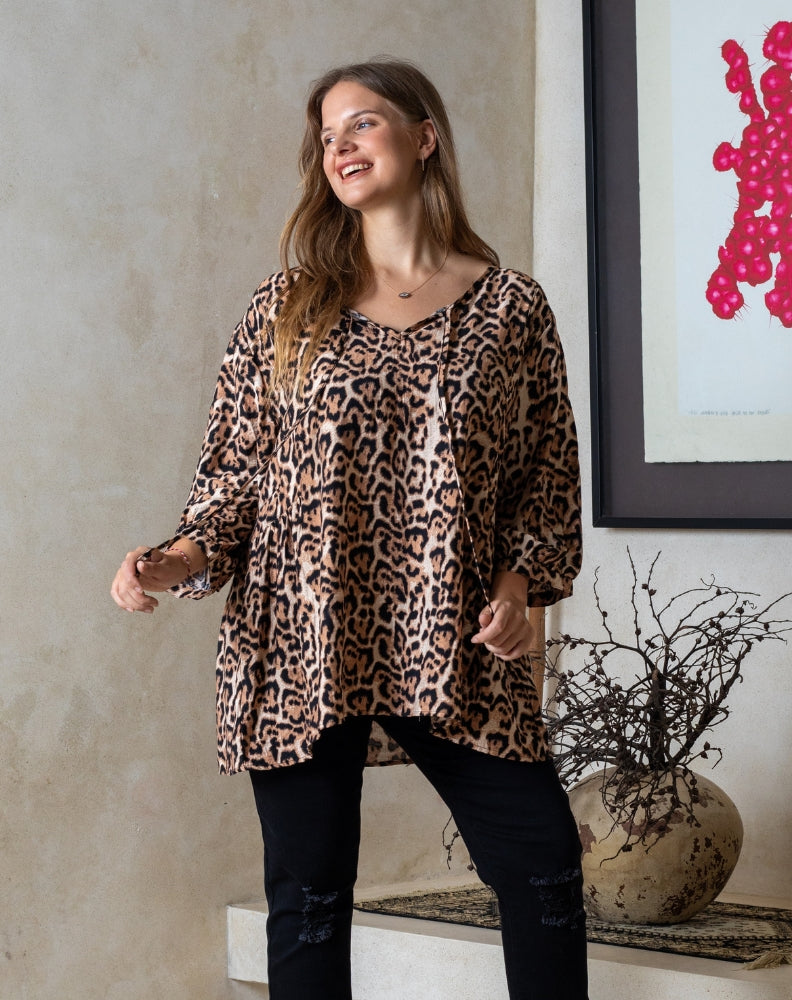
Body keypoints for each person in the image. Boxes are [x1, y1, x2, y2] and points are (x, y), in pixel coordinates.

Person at [111, 57, 587, 1000]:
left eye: (362, 124)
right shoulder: (285, 306)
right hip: (301, 635)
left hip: (454, 633)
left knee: (543, 873)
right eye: (327, 136)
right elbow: (236, 476)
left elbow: (544, 477)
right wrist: (176, 559)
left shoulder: (511, 307)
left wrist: (518, 587)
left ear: (425, 136)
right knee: (311, 901)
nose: (340, 147)